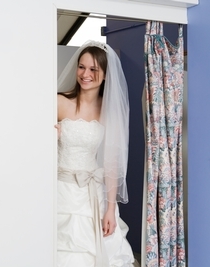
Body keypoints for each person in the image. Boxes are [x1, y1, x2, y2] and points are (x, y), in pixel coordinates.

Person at [56, 40, 136, 266]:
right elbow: (32, 146)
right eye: (82, 67)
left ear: (106, 75)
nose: (85, 74)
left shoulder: (109, 112)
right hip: (60, 189)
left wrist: (110, 209)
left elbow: (112, 164)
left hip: (93, 192)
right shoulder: (59, 102)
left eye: (93, 69)